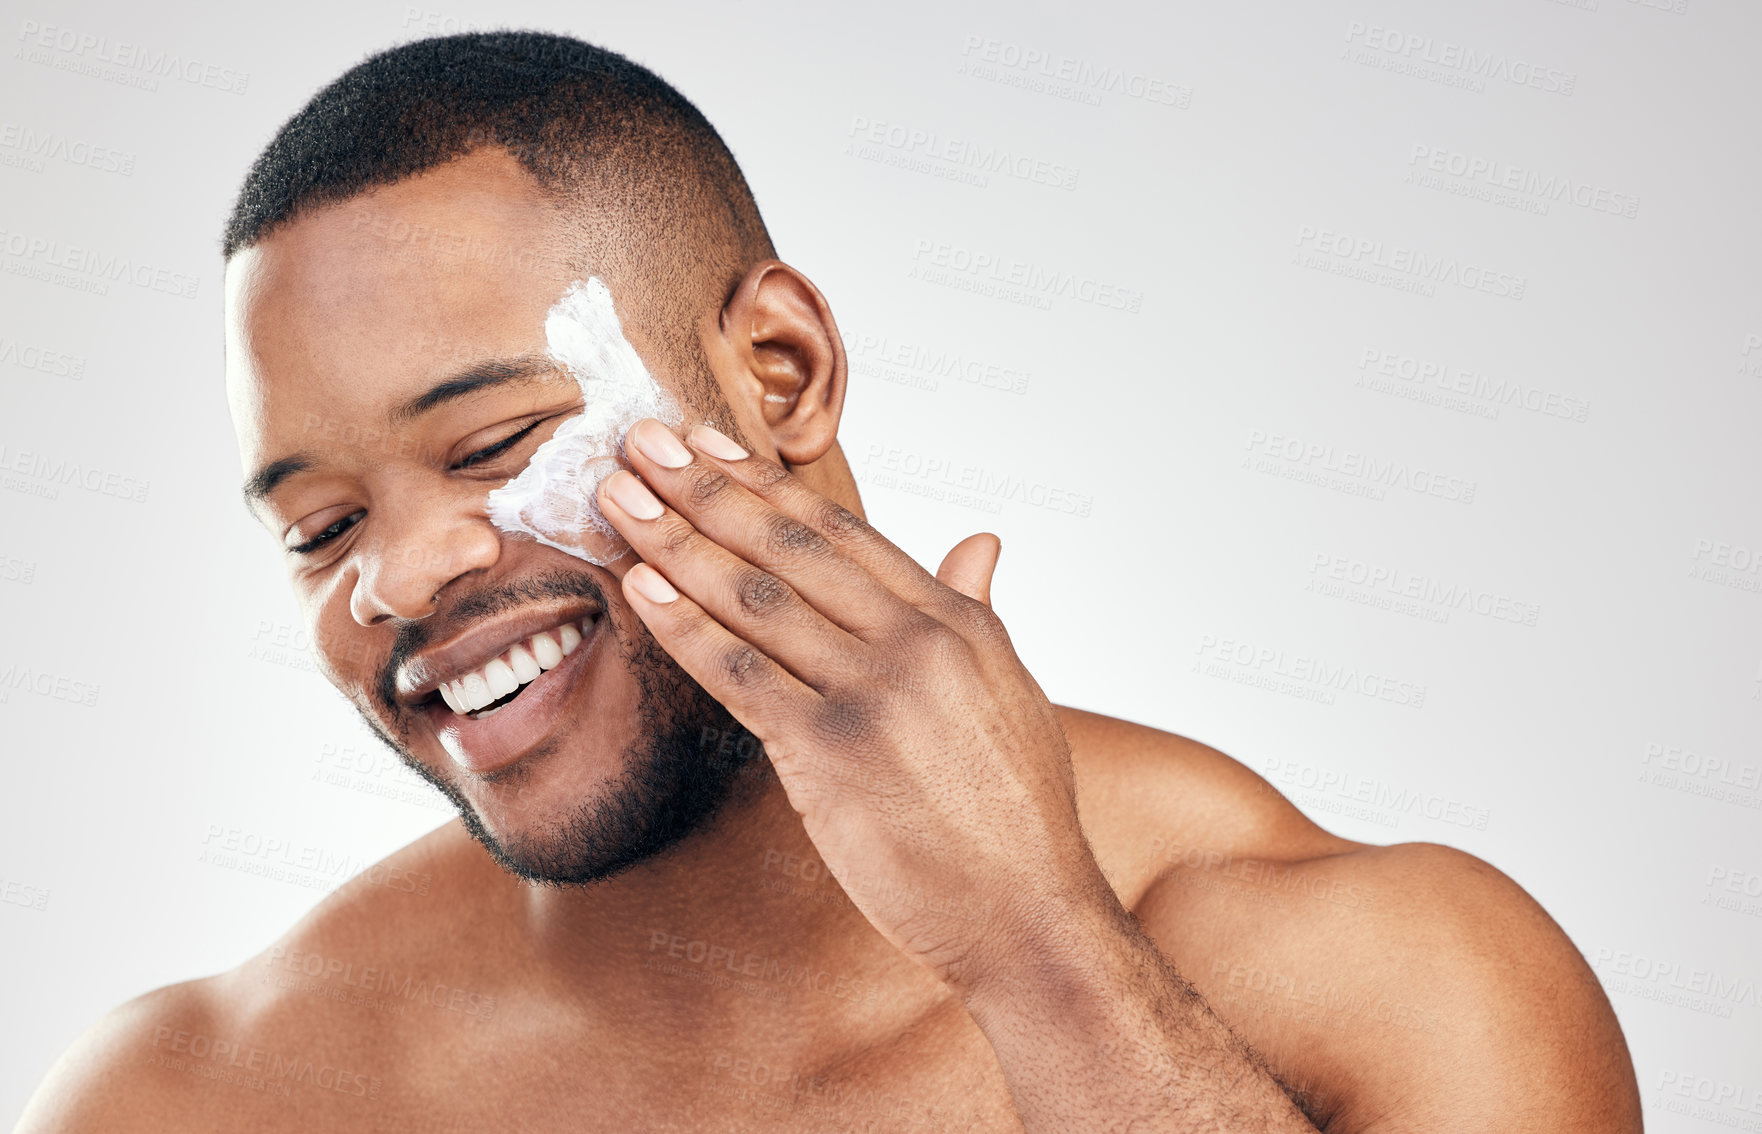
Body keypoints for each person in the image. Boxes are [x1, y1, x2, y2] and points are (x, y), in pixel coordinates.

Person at [15, 31, 1641, 1133]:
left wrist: (1039, 952)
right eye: (315, 528)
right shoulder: (210, 1096)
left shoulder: (1395, 980)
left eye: (497, 438)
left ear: (778, 374)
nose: (399, 572)